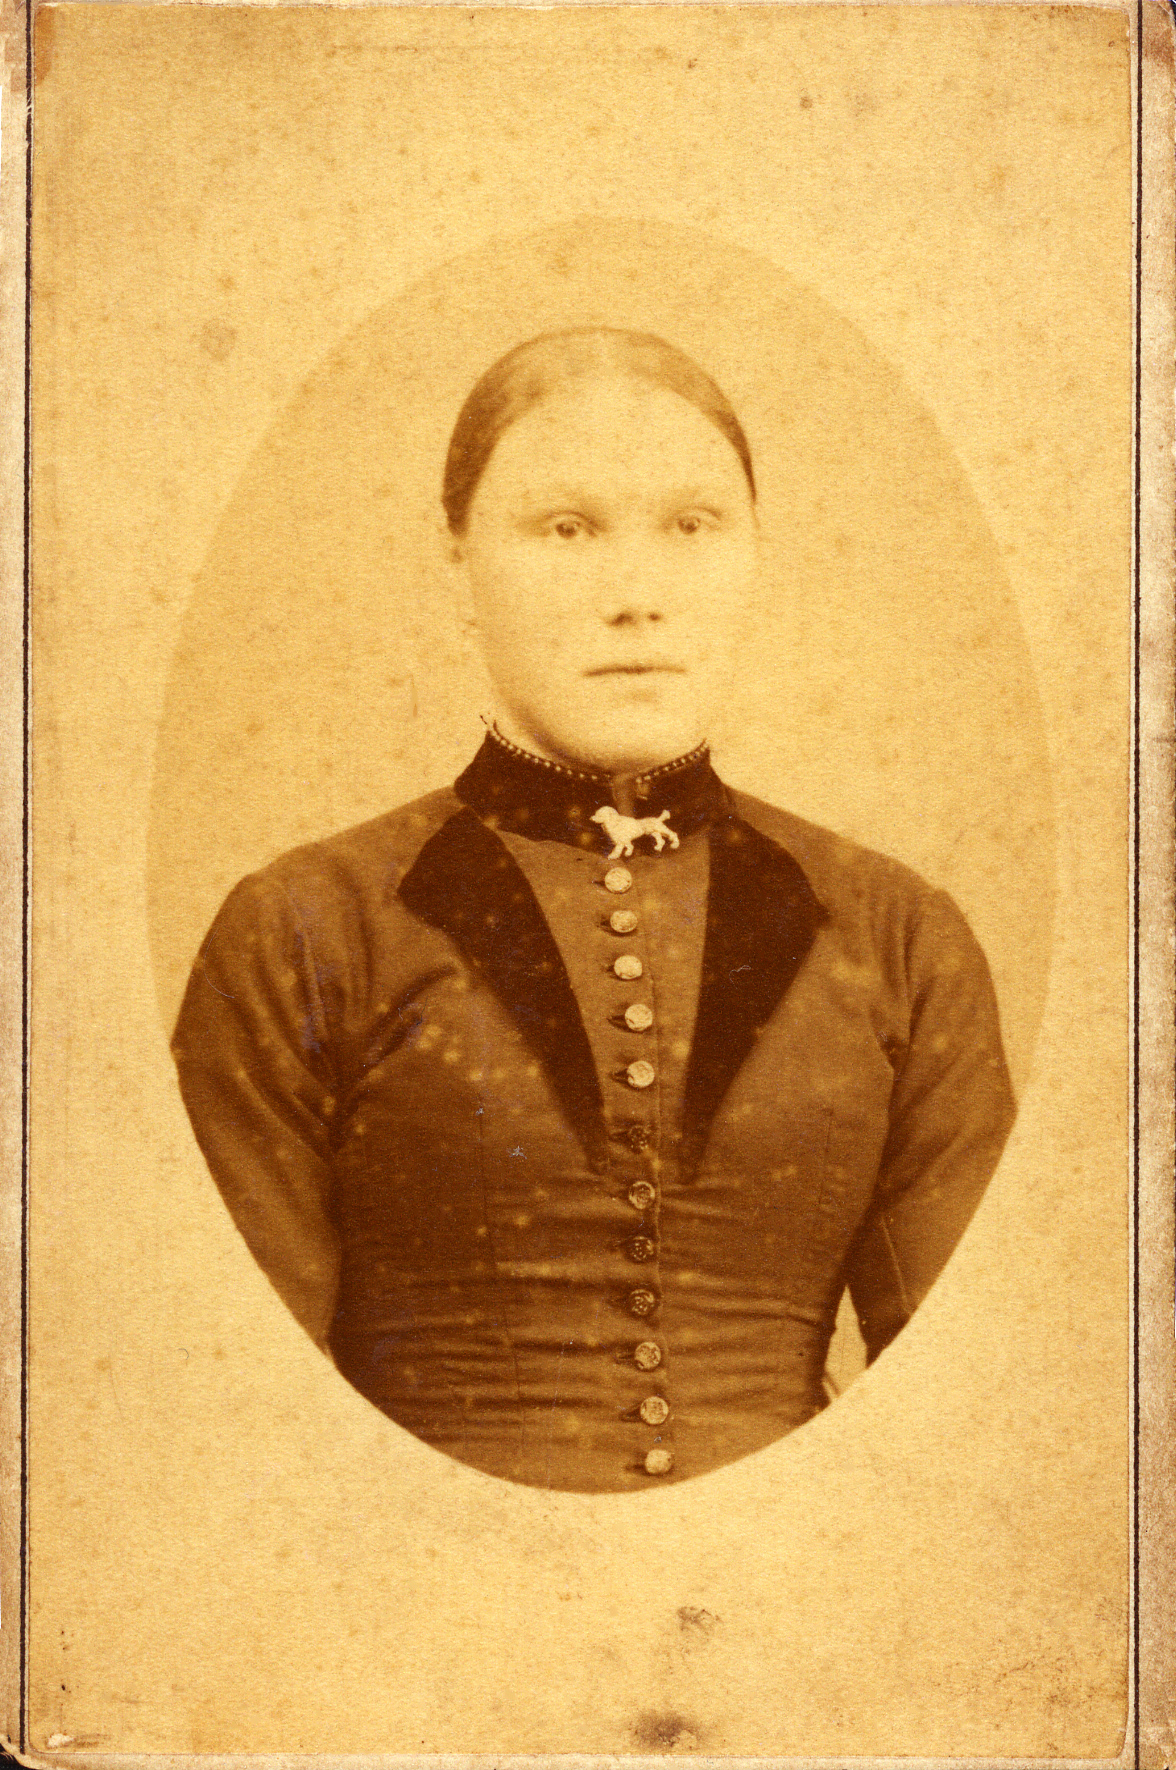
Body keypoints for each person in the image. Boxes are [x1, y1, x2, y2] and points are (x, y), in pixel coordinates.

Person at [171, 327, 1015, 1493]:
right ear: (458, 566)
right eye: (564, 530)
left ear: (756, 554)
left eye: (692, 526)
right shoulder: (307, 932)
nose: (635, 599)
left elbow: (972, 1417)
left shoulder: (897, 938)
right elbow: (231, 1430)